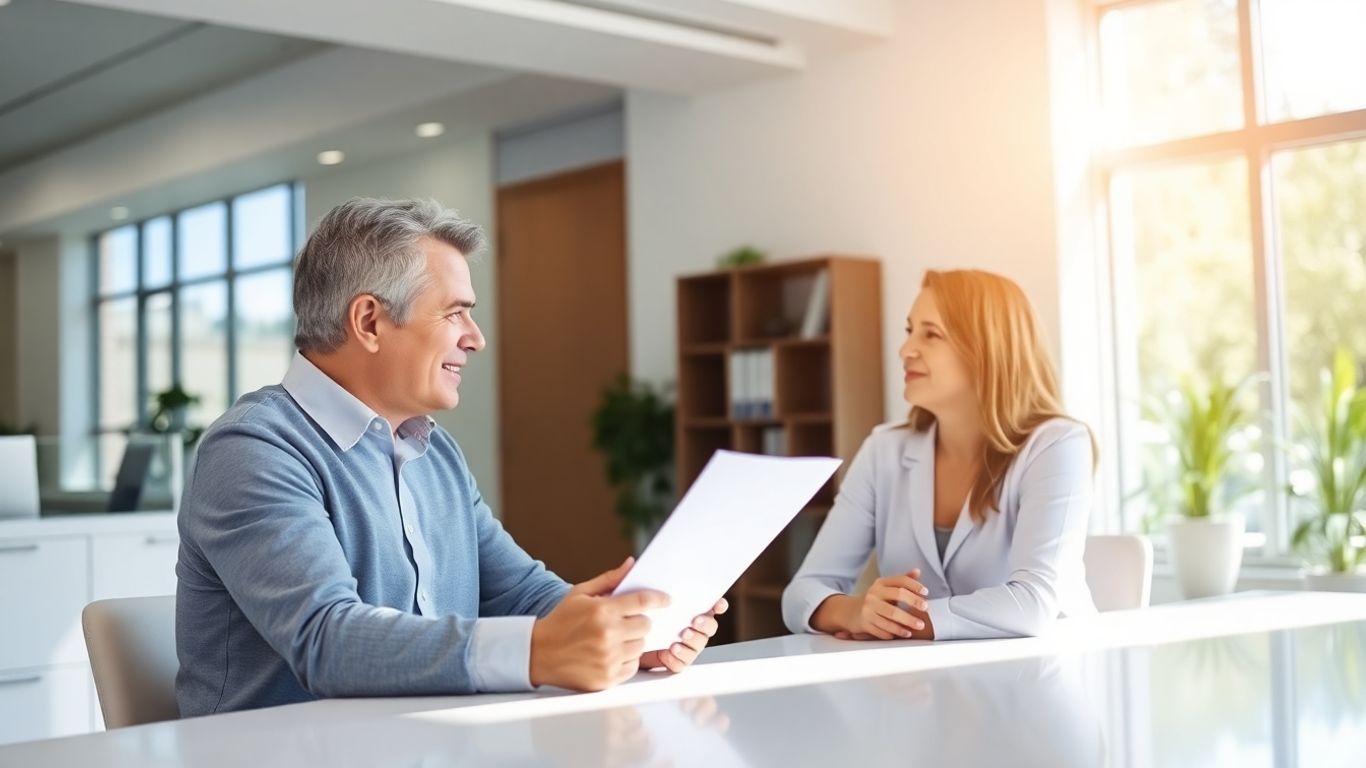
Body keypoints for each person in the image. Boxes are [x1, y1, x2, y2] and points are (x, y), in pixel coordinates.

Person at [176, 198, 724, 716]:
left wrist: (620, 633)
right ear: (369, 322)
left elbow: (519, 592)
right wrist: (539, 650)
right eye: (455, 314)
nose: (476, 338)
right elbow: (326, 640)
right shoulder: (254, 449)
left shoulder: (434, 452)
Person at [782, 269, 1096, 641]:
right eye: (909, 330)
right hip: (924, 686)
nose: (906, 350)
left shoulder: (1057, 446)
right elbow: (801, 593)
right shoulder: (884, 450)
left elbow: (1033, 604)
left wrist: (901, 621)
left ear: (987, 348)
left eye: (931, 334)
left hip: (1042, 678)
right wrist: (857, 612)